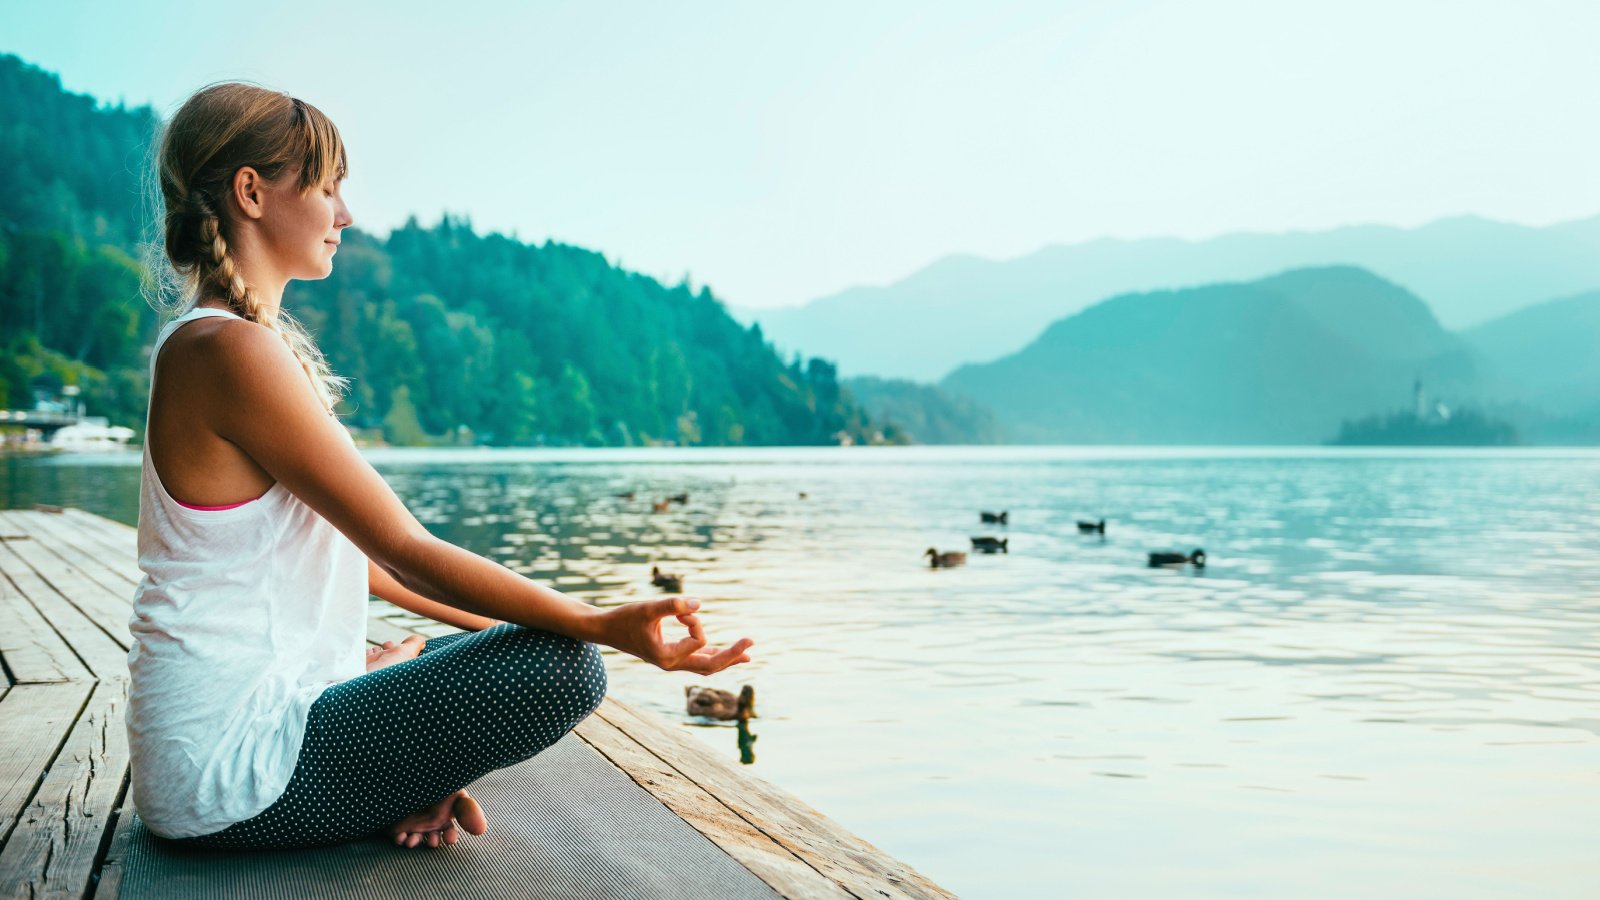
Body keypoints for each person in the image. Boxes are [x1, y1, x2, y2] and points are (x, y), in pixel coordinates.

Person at [128, 82, 754, 852]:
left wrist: (484, 644)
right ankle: (400, 768)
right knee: (567, 669)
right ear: (252, 193)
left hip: (231, 748)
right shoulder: (229, 349)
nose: (346, 215)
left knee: (489, 645)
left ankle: (399, 752)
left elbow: (360, 567)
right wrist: (602, 625)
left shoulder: (222, 342)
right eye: (327, 187)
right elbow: (406, 550)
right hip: (232, 777)